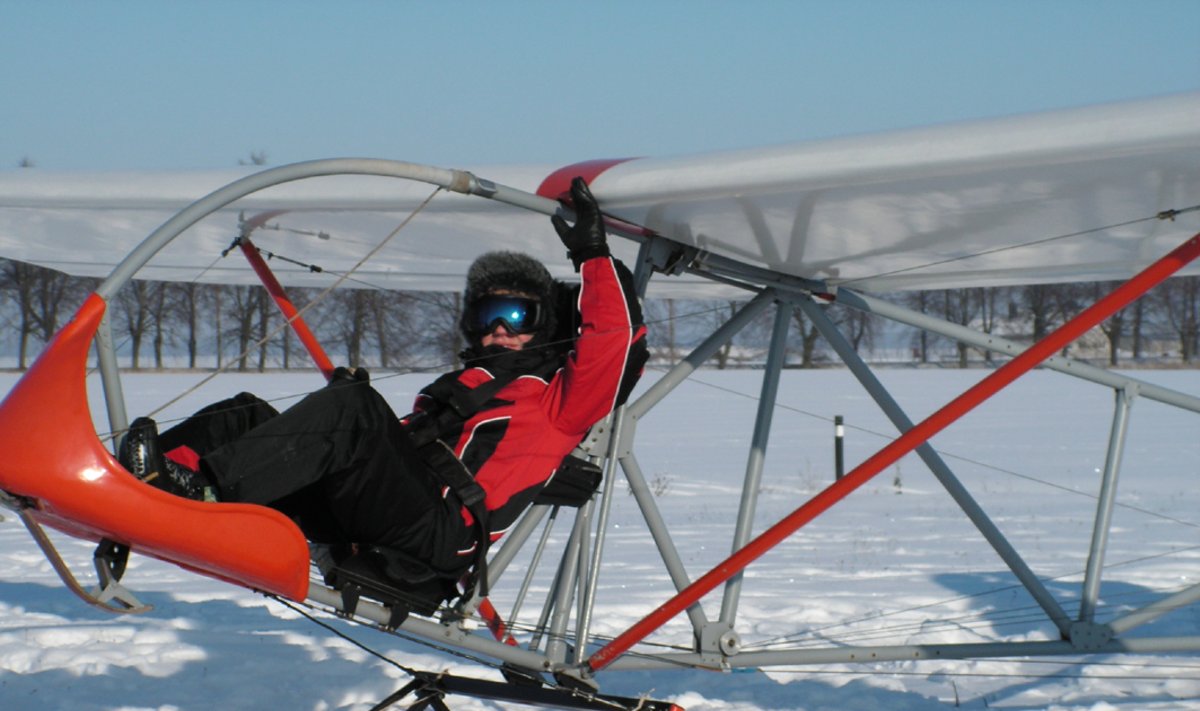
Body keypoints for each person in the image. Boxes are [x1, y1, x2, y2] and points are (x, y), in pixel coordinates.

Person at [118, 177, 648, 608]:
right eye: (488, 315)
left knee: (354, 410)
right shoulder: (465, 388)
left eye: (518, 314)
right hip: (391, 513)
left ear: (544, 322)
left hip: (441, 538)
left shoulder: (560, 398)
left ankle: (204, 495)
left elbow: (616, 341)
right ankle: (147, 478)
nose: (500, 329)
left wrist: (594, 254)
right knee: (242, 415)